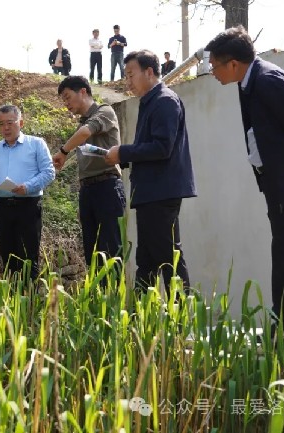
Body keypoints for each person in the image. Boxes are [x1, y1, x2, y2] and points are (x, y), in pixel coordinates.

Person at [206, 26, 284, 346]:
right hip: (277, 182)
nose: (212, 72)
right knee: (283, 250)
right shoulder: (249, 82)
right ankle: (282, 321)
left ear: (233, 64)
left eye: (215, 65)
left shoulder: (268, 80)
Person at [103, 50, 196, 293]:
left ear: (150, 72)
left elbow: (162, 147)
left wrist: (123, 153)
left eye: (131, 74)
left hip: (161, 192)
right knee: (147, 260)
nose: (128, 81)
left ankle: (181, 321)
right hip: (151, 192)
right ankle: (142, 322)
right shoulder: (151, 102)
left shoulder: (164, 100)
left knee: (168, 258)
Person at [52, 76, 126, 272]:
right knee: (91, 252)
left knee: (111, 250)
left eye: (68, 97)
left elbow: (86, 132)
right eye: (64, 100)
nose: (66, 104)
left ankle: (113, 300)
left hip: (107, 187)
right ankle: (96, 299)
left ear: (83, 92)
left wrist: (63, 151)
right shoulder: (81, 124)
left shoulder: (105, 111)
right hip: (88, 190)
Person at [0, 105, 55, 281]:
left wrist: (28, 186)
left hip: (28, 206)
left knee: (29, 259)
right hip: (2, 208)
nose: (5, 128)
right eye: (1, 124)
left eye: (10, 123)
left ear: (20, 122)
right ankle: (11, 302)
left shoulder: (36, 144)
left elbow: (49, 172)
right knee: (7, 258)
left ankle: (29, 303)